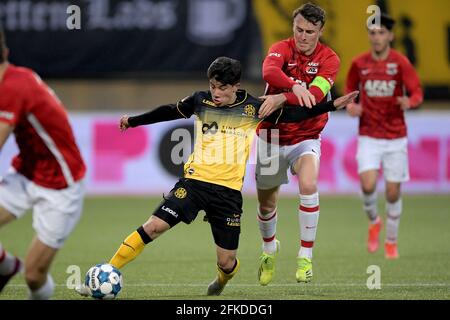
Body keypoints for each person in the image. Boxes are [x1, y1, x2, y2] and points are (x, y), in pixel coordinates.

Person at [76, 56, 357, 297]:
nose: (216, 92)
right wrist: (134, 121)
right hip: (194, 183)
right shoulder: (200, 100)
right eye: (212, 86)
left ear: (236, 86)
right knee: (153, 227)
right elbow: (167, 112)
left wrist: (332, 106)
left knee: (227, 262)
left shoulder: (255, 107)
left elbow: (295, 114)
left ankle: (221, 281)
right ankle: (105, 272)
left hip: (227, 194)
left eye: (222, 88)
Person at [255, 3, 340, 285]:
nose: (303, 36)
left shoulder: (330, 60)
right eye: (299, 29)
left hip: (306, 136)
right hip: (272, 135)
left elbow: (315, 96)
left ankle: (305, 257)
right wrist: (293, 86)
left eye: (310, 32)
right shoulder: (281, 48)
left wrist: (281, 96)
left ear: (320, 31)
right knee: (267, 206)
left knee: (308, 186)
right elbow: (269, 72)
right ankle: (269, 250)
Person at [0, 28, 86, 299]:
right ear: (6, 52)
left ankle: (11, 271)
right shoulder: (15, 77)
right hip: (26, 173)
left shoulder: (13, 87)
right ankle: (5, 267)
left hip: (61, 186)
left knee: (34, 276)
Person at [345, 13, 423, 259]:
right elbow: (349, 90)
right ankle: (374, 221)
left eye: (381, 33)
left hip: (395, 136)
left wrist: (409, 101)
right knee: (367, 186)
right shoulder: (359, 63)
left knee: (392, 192)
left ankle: (391, 241)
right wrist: (350, 105)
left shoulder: (400, 63)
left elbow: (417, 91)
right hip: (369, 134)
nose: (377, 37)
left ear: (390, 35)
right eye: (373, 33)